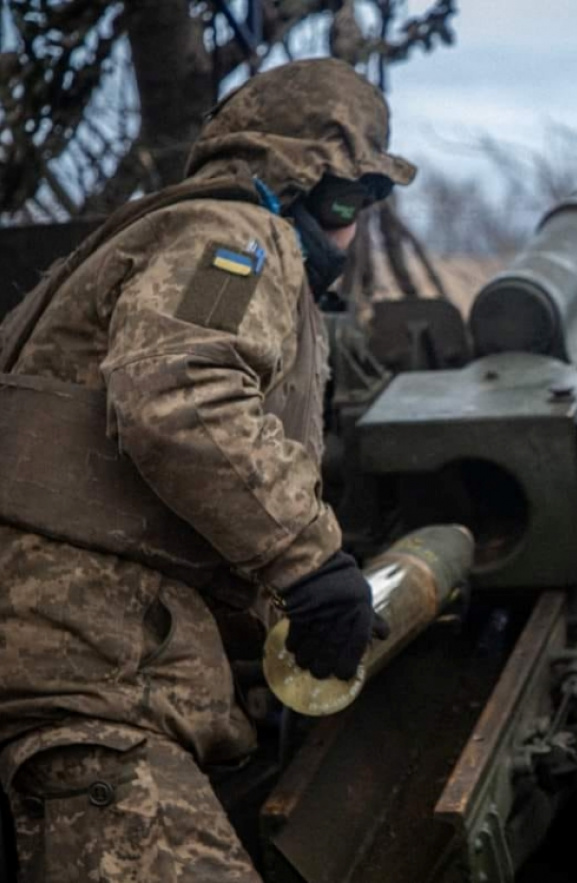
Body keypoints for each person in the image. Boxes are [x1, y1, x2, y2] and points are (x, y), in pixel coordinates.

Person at [0, 58, 412, 880]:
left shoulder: (166, 233)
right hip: (85, 680)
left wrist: (288, 610)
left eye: (361, 208)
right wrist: (309, 563)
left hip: (87, 668)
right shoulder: (232, 237)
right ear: (287, 185)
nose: (347, 233)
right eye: (341, 204)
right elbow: (181, 393)